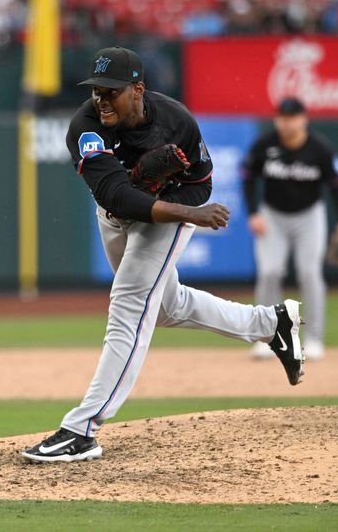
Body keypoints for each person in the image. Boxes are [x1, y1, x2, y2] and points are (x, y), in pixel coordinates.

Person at [22, 47, 305, 463]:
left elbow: (201, 182)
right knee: (166, 307)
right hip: (118, 215)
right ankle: (272, 323)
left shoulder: (177, 121)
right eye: (97, 90)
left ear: (138, 89)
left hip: (166, 217)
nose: (101, 99)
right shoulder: (85, 125)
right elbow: (117, 195)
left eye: (112, 91)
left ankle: (82, 429)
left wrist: (180, 207)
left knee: (130, 304)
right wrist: (187, 211)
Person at [242, 97, 338, 362]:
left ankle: (315, 338)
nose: (287, 122)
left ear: (304, 119)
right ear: (277, 119)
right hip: (273, 216)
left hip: (309, 216)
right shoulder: (266, 145)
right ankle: (267, 338)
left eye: (293, 117)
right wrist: (253, 213)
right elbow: (247, 176)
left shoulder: (320, 149)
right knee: (270, 272)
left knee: (309, 273)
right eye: (283, 116)